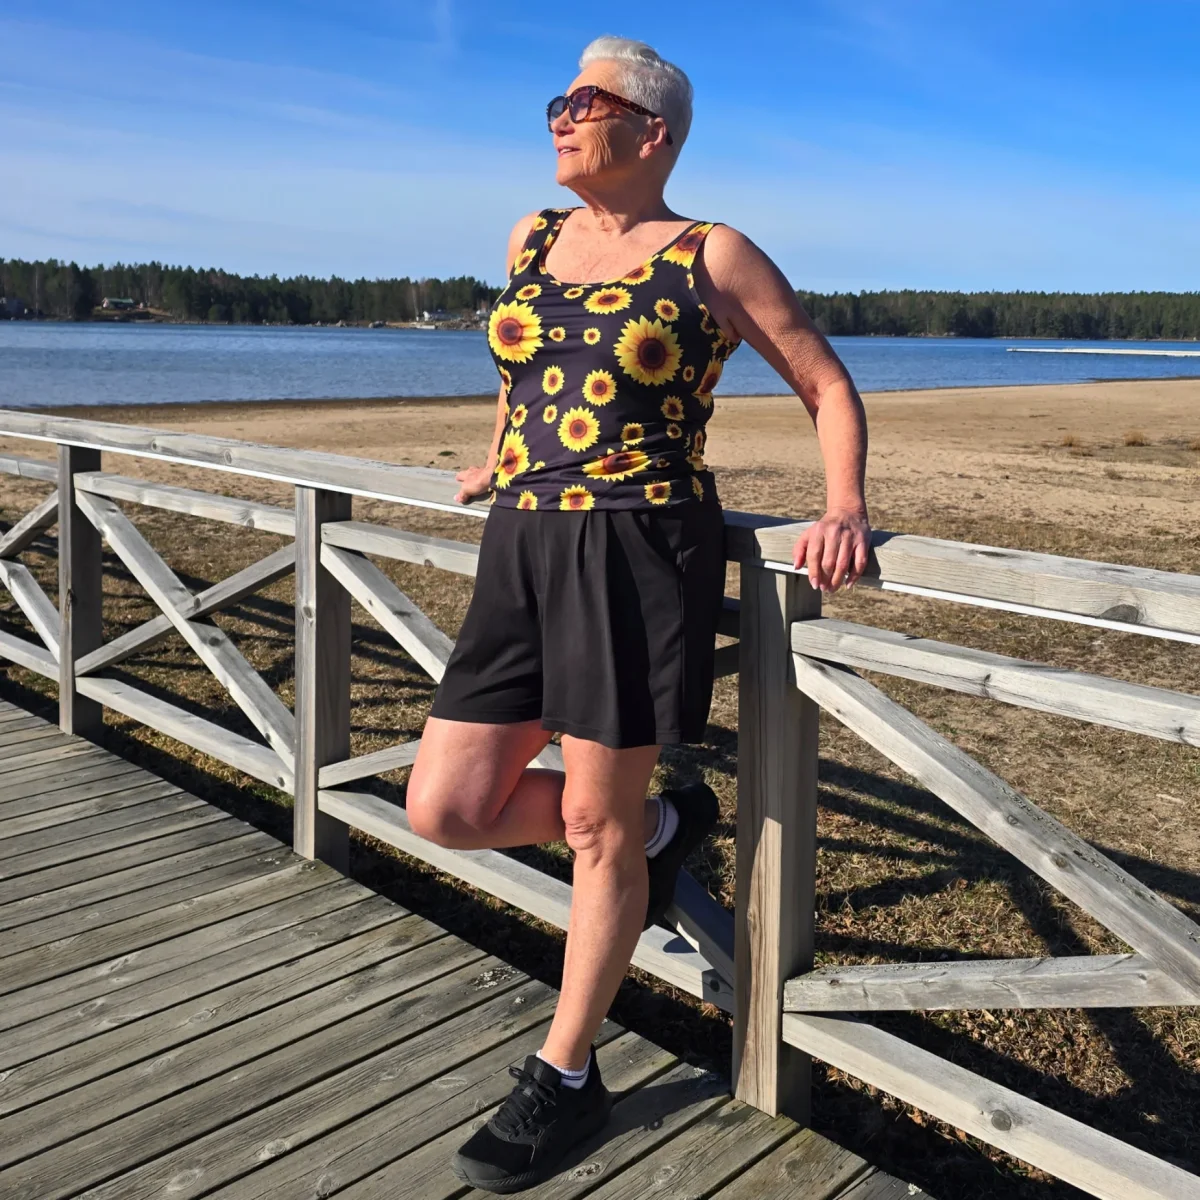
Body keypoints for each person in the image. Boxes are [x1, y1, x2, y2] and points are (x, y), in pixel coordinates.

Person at [405, 34, 871, 1194]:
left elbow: (824, 381)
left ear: (652, 130)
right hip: (521, 542)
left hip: (638, 547)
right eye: (557, 100)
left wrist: (844, 506)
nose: (559, 117)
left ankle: (566, 1075)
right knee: (445, 807)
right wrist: (500, 453)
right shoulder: (531, 236)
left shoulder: (713, 253)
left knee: (593, 825)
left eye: (585, 100)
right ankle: (661, 834)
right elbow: (520, 367)